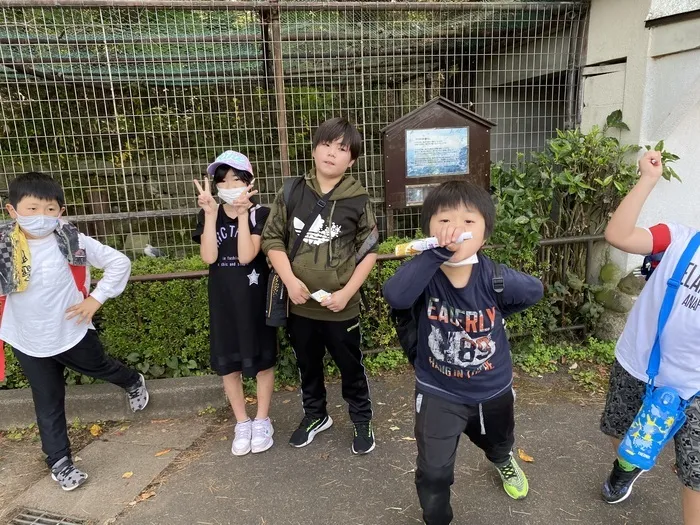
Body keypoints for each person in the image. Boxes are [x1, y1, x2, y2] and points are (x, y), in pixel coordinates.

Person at [383, 180, 543, 525]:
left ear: (484, 235)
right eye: (444, 220)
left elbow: (535, 291)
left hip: (492, 389)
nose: (455, 228)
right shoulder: (423, 274)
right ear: (428, 229)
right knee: (434, 472)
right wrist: (436, 254)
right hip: (438, 391)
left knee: (499, 441)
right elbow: (396, 296)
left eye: (468, 222)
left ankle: (502, 460)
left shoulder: (495, 277)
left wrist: (499, 314)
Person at [0, 172, 148, 491]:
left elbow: (119, 262)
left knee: (101, 367)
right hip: (26, 339)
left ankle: (133, 381)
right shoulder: (3, 246)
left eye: (50, 209)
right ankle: (60, 462)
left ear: (61, 212)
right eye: (32, 208)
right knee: (48, 400)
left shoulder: (71, 239)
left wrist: (95, 299)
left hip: (72, 331)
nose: (42, 216)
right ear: (12, 211)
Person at [262, 117, 379, 454]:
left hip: (341, 308)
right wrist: (290, 281)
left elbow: (370, 250)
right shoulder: (291, 191)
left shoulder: (358, 199)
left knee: (350, 366)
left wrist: (346, 293)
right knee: (307, 363)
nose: (332, 153)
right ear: (315, 149)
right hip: (299, 304)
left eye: (342, 149)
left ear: (351, 160)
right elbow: (272, 240)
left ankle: (361, 419)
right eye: (326, 145)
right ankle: (316, 415)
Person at [600, 150, 700, 525]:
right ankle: (627, 465)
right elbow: (618, 235)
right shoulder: (679, 239)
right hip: (638, 364)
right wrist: (647, 180)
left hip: (694, 387)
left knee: (696, 477)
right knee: (620, 433)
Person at [193, 150, 277, 456]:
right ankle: (242, 421)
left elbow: (245, 256)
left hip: (255, 303)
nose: (229, 184)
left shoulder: (261, 214)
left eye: (237, 178)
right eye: (223, 179)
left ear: (250, 182)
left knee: (263, 362)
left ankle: (262, 420)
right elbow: (209, 257)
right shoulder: (209, 213)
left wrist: (242, 215)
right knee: (229, 366)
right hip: (223, 303)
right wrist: (211, 214)